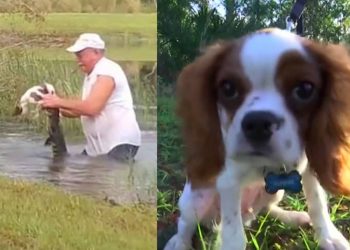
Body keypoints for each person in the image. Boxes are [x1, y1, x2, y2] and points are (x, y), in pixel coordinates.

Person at [40, 33, 141, 162]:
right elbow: (80, 110)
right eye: (77, 55)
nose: (78, 59)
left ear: (96, 52)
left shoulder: (107, 71)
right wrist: (55, 109)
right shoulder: (93, 74)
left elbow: (92, 108)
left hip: (120, 143)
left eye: (81, 55)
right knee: (76, 171)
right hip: (98, 147)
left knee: (101, 178)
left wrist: (57, 102)